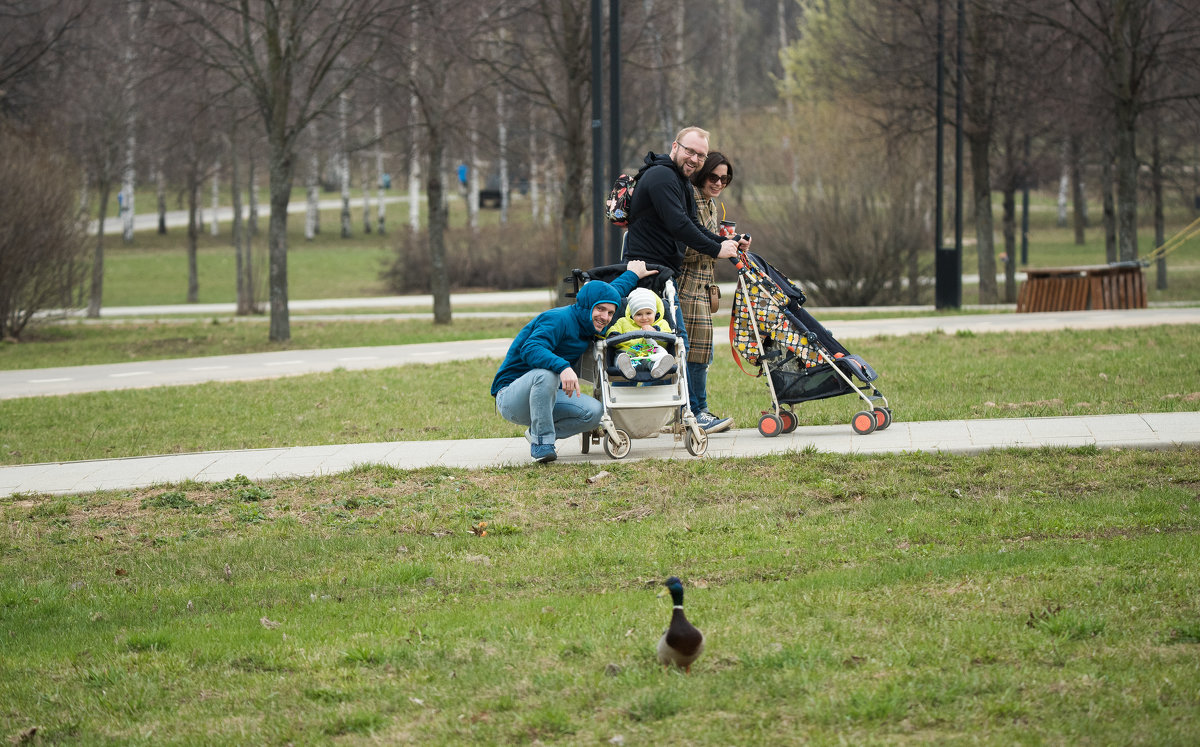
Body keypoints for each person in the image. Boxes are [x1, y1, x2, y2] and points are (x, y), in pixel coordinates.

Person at [622, 126, 750, 432]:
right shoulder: (662, 176)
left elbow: (691, 223)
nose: (694, 159)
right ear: (675, 146)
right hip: (648, 274)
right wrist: (717, 248)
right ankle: (677, 414)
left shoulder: (676, 179)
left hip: (663, 273)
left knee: (672, 343)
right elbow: (679, 225)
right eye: (690, 151)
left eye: (700, 155)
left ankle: (679, 413)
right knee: (665, 342)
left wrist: (725, 245)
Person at [491, 260, 658, 463]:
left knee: (594, 413)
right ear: (587, 305)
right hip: (511, 397)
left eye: (611, 313)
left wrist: (632, 274)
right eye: (601, 310)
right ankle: (542, 444)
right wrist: (563, 367)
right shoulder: (558, 319)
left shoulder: (588, 321)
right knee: (546, 374)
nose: (605, 317)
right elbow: (530, 348)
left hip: (547, 397)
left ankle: (538, 433)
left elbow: (610, 292)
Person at [678, 152, 736, 433]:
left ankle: (694, 410)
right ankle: (695, 412)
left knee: (702, 352)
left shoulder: (710, 204)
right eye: (714, 177)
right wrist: (716, 249)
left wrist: (730, 243)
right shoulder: (692, 200)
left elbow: (710, 241)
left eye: (724, 179)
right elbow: (683, 247)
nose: (719, 183)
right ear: (702, 174)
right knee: (695, 353)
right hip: (687, 287)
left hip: (703, 286)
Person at [607, 287, 677, 380]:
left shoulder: (661, 323)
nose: (644, 318)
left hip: (650, 356)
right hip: (628, 353)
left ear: (654, 312)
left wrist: (655, 332)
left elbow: (668, 340)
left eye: (648, 313)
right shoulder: (623, 322)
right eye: (639, 314)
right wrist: (614, 335)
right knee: (621, 357)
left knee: (652, 361)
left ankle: (657, 368)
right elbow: (612, 331)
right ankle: (625, 368)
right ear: (632, 314)